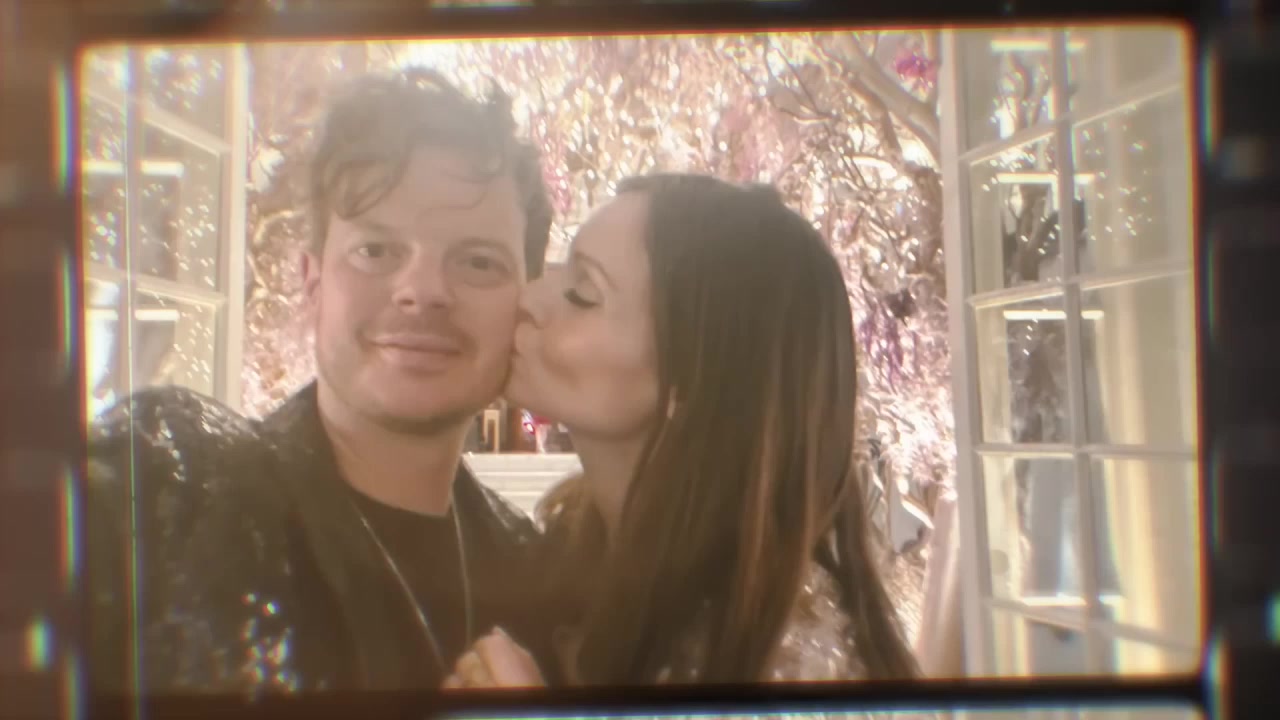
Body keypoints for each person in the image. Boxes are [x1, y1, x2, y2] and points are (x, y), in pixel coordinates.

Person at [86, 68, 555, 695]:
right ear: (313, 283)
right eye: (376, 251)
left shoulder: (532, 571)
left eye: (478, 261)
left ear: (525, 301)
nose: (422, 292)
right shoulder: (168, 484)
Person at [443, 174, 920, 688]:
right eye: (559, 268)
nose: (530, 297)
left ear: (690, 378)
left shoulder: (788, 658)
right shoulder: (572, 553)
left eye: (583, 293)